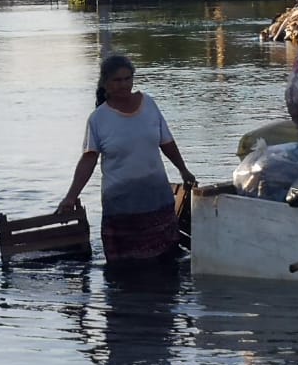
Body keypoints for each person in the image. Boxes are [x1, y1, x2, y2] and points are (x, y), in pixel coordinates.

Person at [57, 54, 196, 263]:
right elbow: (88, 160)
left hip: (156, 201)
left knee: (166, 265)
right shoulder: (98, 119)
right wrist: (70, 196)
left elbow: (166, 142)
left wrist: (183, 170)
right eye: (117, 80)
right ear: (105, 84)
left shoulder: (148, 104)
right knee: (125, 270)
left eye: (127, 79)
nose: (123, 85)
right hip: (122, 208)